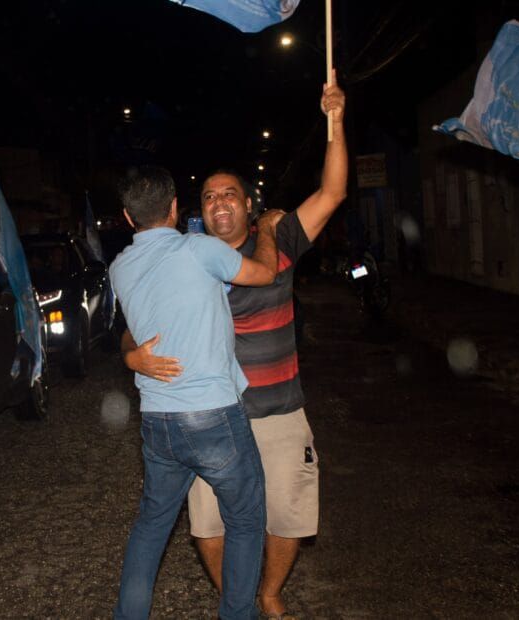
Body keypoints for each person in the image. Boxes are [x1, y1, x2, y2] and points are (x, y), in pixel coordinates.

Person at [122, 82, 347, 619]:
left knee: (286, 516)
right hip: (213, 418)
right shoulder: (185, 255)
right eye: (208, 196)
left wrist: (335, 122)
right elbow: (137, 321)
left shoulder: (283, 237)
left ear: (250, 204)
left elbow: (334, 191)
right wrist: (131, 355)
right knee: (209, 526)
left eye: (229, 194)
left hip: (278, 411)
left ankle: (266, 594)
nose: (219, 202)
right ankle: (236, 601)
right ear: (192, 210)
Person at [110, 165, 284, 620]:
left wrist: (130, 356)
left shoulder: (120, 267)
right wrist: (264, 226)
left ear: (128, 218)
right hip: (213, 419)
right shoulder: (200, 251)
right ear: (174, 209)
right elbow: (265, 272)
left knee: (151, 527)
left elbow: (132, 330)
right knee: (245, 522)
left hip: (157, 421)